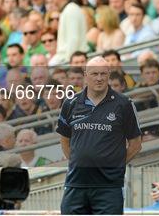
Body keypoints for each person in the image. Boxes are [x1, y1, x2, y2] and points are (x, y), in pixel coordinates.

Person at [56, 56, 142, 214]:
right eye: (94, 74)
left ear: (109, 75)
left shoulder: (124, 104)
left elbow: (136, 144)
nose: (99, 78)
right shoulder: (70, 103)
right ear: (85, 75)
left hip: (108, 187)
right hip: (76, 184)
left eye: (103, 74)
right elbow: (65, 141)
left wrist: (114, 164)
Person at [48, 0, 88, 65]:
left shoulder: (71, 10)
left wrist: (69, 61)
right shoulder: (69, 9)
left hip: (70, 58)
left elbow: (73, 39)